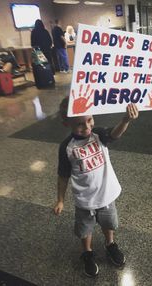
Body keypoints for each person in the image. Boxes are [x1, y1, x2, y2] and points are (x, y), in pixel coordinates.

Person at [54, 96, 139, 277]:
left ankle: (110, 244)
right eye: (79, 124)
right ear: (66, 124)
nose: (87, 127)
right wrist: (60, 200)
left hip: (106, 195)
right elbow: (63, 175)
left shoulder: (98, 134)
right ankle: (87, 252)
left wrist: (125, 120)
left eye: (90, 120)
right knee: (85, 230)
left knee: (109, 223)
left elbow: (115, 134)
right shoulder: (66, 148)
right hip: (84, 201)